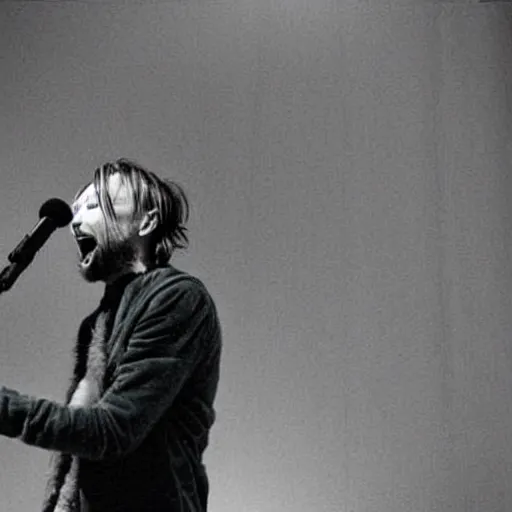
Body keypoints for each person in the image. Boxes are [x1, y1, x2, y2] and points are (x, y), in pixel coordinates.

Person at [0, 158, 222, 512]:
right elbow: (78, 449)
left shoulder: (178, 297)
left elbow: (113, 430)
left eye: (94, 206)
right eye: (76, 210)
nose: (76, 220)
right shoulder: (97, 323)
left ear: (146, 221)